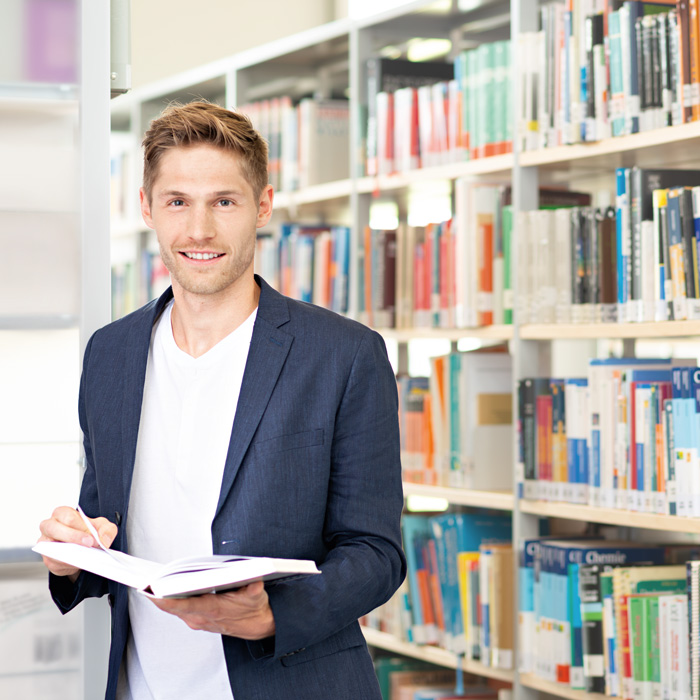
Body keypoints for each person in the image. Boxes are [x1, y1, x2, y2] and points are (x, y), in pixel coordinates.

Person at [38, 101, 406, 700]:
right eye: (177, 201)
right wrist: (72, 554)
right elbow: (103, 520)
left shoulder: (344, 355)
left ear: (262, 206)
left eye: (224, 202)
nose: (199, 230)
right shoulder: (111, 354)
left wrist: (271, 616)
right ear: (146, 207)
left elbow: (375, 553)